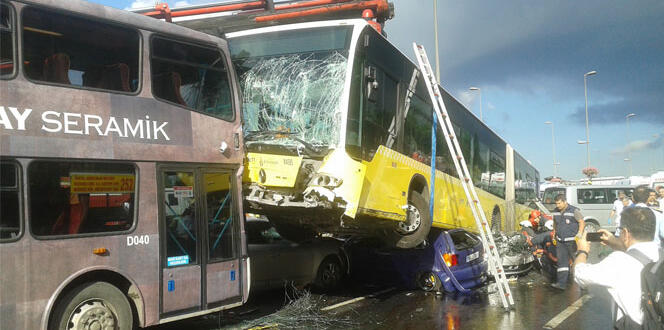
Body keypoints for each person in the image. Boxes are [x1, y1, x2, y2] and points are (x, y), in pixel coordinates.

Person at [574, 207, 660, 328]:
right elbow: (637, 253)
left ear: (625, 233)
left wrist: (582, 251)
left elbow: (580, 275)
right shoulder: (659, 253)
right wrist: (615, 242)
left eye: (619, 230)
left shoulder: (618, 261)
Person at [551, 194, 585, 290]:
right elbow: (555, 223)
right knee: (562, 263)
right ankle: (561, 284)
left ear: (565, 202)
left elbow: (582, 222)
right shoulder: (555, 212)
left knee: (577, 261)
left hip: (572, 241)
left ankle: (583, 284)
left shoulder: (574, 210)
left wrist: (579, 233)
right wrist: (554, 232)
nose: (557, 205)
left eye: (559, 203)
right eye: (556, 203)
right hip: (560, 241)